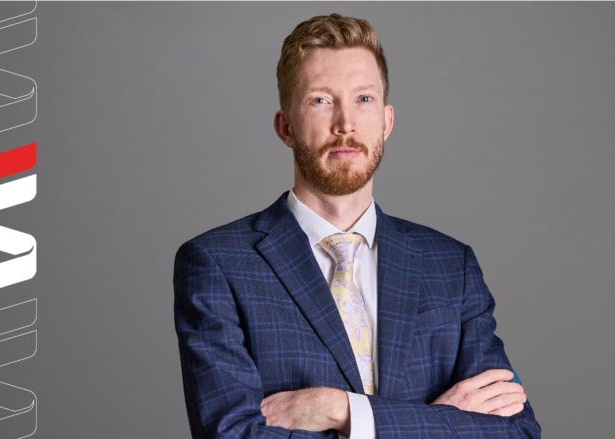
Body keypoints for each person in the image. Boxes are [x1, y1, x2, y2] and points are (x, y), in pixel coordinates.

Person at [173, 13, 542, 438]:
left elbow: (517, 432)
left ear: (386, 121)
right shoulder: (218, 264)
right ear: (285, 127)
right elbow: (232, 435)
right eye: (320, 100)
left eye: (363, 99)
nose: (345, 123)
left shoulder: (450, 266)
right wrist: (436, 422)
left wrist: (343, 410)